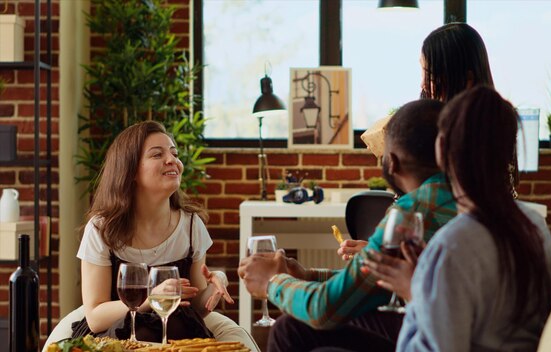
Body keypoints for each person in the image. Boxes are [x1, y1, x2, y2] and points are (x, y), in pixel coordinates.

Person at [238, 99, 457, 352]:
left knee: (289, 329)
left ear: (391, 162)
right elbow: (375, 285)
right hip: (447, 328)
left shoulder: (410, 211)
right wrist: (309, 276)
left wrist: (272, 281)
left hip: (428, 335)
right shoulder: (463, 194)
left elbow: (324, 309)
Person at [367, 86, 551, 351]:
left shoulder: (452, 246)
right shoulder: (535, 224)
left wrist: (416, 292)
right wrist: (429, 281)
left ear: (441, 148)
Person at [71, 121, 258, 350]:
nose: (172, 160)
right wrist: (152, 298)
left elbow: (197, 308)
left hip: (179, 336)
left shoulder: (191, 226)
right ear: (130, 171)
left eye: (174, 153)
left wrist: (216, 282)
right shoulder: (101, 229)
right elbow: (95, 317)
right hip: (114, 339)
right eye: (157, 154)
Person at [338, 21, 503, 260]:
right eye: (423, 72)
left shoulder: (467, 153)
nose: (423, 84)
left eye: (432, 74)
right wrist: (379, 250)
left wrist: (382, 253)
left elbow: (442, 240)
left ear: (466, 79)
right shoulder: (449, 135)